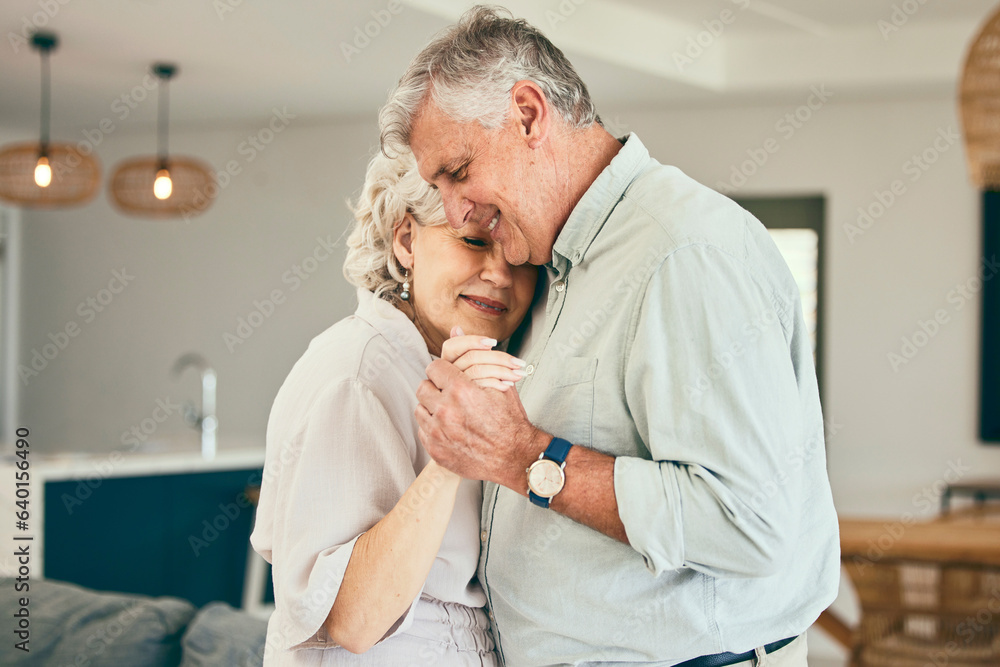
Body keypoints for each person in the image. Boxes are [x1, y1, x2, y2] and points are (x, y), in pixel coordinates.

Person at [378, 6, 840, 666]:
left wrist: (521, 455)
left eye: (457, 172)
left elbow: (750, 522)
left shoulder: (682, 251)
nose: (455, 212)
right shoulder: (551, 267)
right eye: (437, 188)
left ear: (530, 115)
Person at [249, 147, 538, 665]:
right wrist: (452, 455)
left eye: (520, 255)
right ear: (407, 241)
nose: (500, 273)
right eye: (473, 241)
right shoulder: (354, 374)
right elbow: (354, 621)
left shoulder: (436, 367)